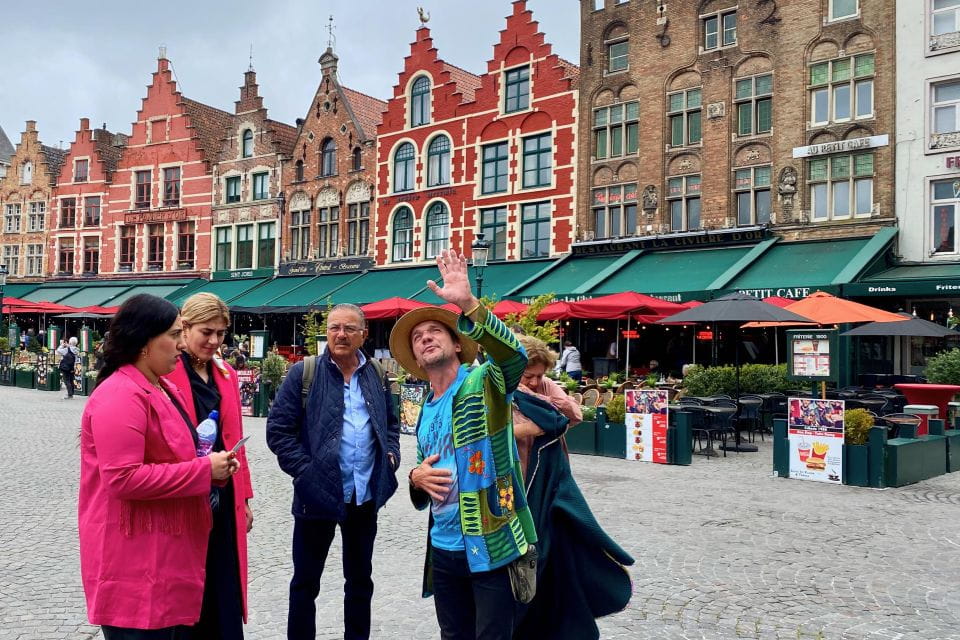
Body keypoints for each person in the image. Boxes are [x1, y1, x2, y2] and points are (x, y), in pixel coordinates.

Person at [78, 294, 240, 639]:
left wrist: (216, 468)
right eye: (173, 334)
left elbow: (178, 454)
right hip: (134, 564)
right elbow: (122, 479)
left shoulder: (161, 387)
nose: (182, 345)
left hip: (163, 557)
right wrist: (203, 471)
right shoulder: (121, 394)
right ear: (144, 342)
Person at [393, 250, 535, 640]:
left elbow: (514, 356)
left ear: (458, 345)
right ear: (418, 360)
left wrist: (469, 305)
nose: (425, 340)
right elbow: (424, 468)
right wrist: (414, 476)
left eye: (434, 332)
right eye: (418, 339)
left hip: (492, 539)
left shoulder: (485, 382)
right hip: (443, 548)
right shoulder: (424, 408)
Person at [267, 303, 401, 640]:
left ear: (363, 334)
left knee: (359, 581)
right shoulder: (305, 373)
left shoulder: (377, 374)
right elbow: (278, 431)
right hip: (316, 496)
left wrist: (391, 457)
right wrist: (306, 473)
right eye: (334, 328)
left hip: (364, 494)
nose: (340, 335)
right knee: (305, 583)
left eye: (349, 329)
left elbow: (391, 424)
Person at [511, 335, 634, 640]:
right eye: (530, 375)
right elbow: (497, 433)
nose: (536, 380)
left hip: (551, 482)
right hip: (520, 483)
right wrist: (540, 422)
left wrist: (546, 399)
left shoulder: (542, 388)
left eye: (541, 375)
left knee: (555, 557)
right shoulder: (503, 392)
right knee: (527, 561)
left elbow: (575, 415)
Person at [162, 293, 254, 639]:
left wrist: (244, 497)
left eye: (220, 333)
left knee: (223, 573)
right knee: (188, 576)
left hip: (224, 490)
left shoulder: (226, 373)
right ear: (184, 328)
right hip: (187, 487)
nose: (214, 341)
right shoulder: (168, 373)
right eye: (206, 332)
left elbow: (236, 440)